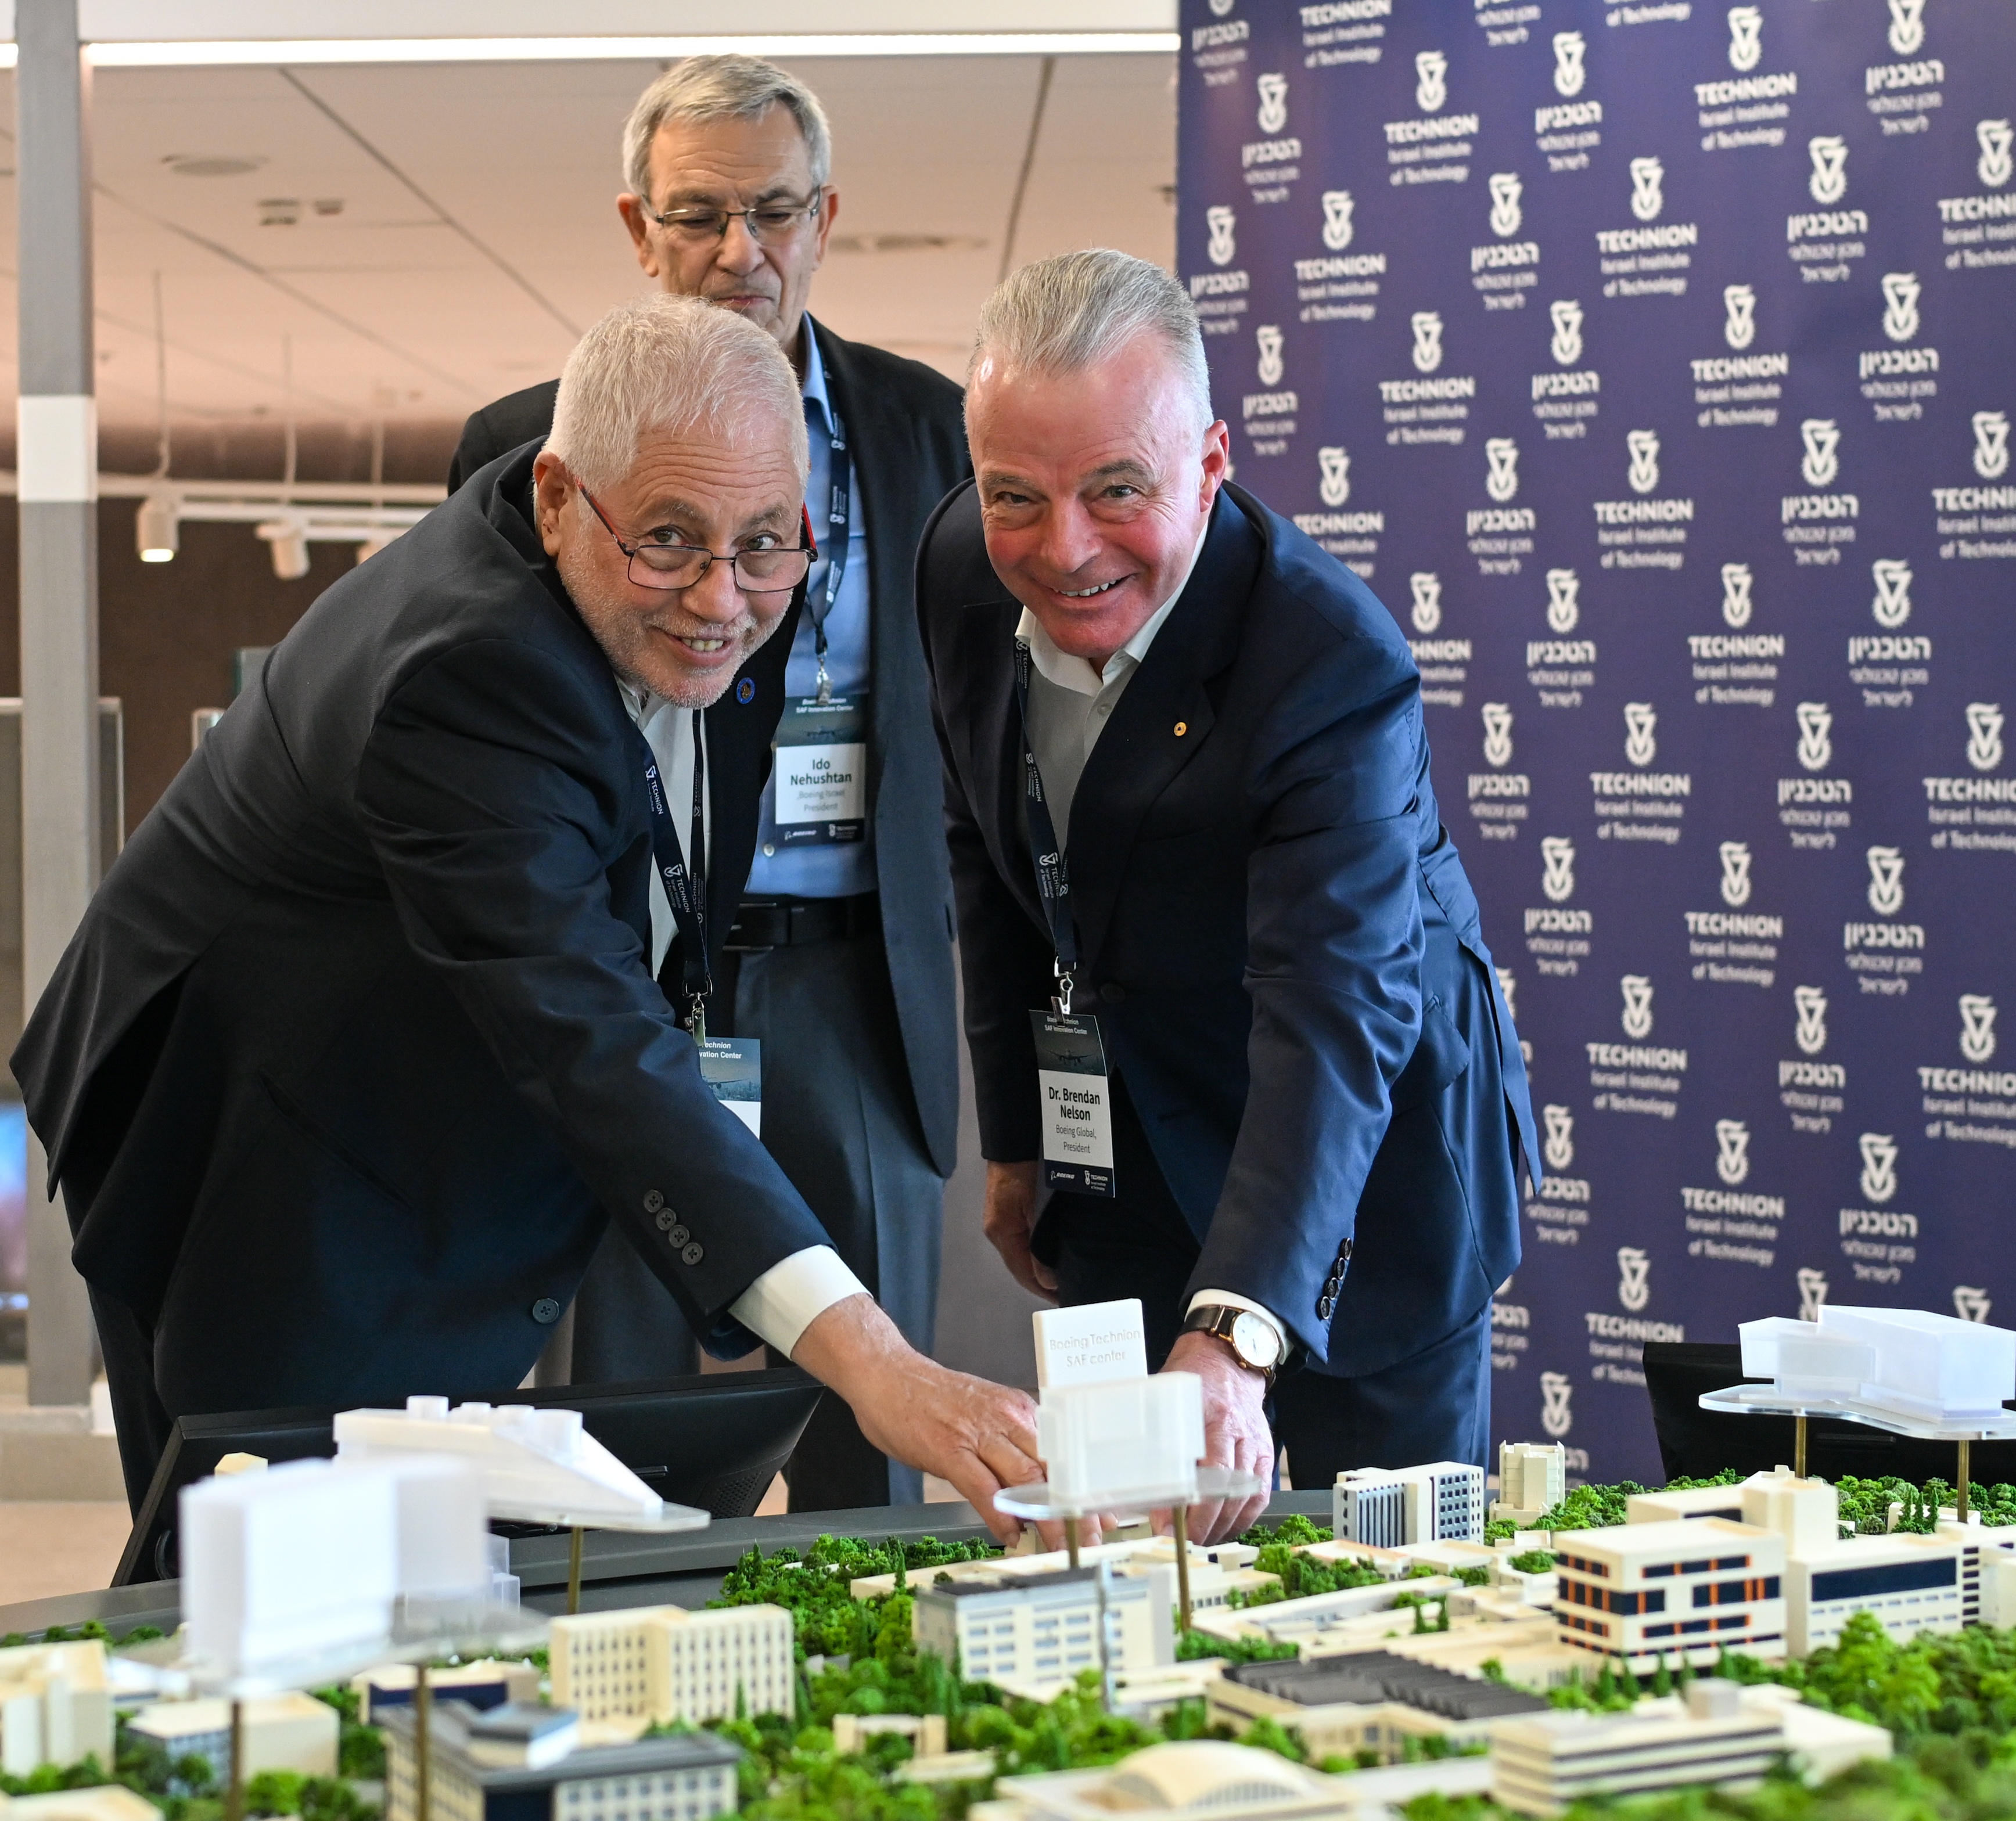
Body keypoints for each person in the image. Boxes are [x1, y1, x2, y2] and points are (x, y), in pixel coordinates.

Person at [13, 294, 1041, 1534]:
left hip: (419, 1054)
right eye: (670, 541)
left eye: (766, 544)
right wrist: (874, 1360)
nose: (721, 599)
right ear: (557, 499)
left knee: (434, 1532)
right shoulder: (467, 673)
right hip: (265, 1122)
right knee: (279, 1544)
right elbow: (584, 1034)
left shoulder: (718, 564)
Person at [918, 250, 1536, 1544]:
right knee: (1134, 1563)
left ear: (1207, 466)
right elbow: (987, 847)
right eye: (1015, 495)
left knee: (1387, 1577)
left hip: (1362, 1184)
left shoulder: (1326, 660)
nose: (1063, 548)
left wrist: (1238, 1329)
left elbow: (1334, 1005)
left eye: (1116, 489)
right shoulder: (959, 567)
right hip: (1127, 1151)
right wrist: (1019, 1134)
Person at [448, 57, 970, 1509]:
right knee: (618, 1428)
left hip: (855, 989)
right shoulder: (527, 447)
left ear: (824, 219)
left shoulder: (927, 431)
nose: (741, 250)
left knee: (878, 1430)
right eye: (698, 214)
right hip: (635, 979)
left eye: (775, 211)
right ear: (638, 227)